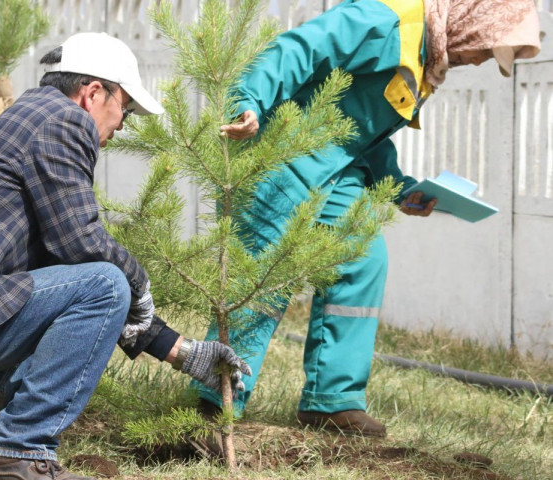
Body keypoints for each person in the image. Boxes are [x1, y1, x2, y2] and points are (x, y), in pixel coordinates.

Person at [0, 32, 251, 480]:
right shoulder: (63, 120)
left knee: (48, 282)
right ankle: (18, 452)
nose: (123, 124)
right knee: (107, 282)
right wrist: (138, 283)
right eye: (126, 108)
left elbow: (59, 274)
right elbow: (83, 246)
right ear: (93, 93)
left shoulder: (27, 117)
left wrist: (181, 352)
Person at [193, 0, 541, 438]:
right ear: (473, 24)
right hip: (287, 159)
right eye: (487, 50)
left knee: (362, 261)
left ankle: (332, 401)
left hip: (340, 173)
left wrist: (399, 185)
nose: (480, 61)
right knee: (266, 278)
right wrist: (249, 102)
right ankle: (215, 404)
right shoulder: (385, 21)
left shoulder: (423, 54)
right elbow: (298, 48)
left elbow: (363, 128)